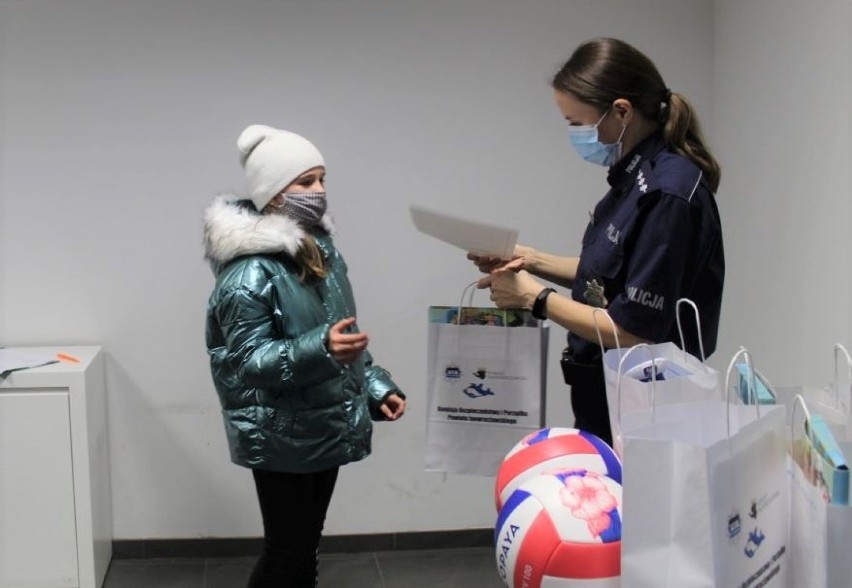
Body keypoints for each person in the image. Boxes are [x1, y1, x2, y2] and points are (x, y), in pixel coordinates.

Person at [469, 37, 724, 447]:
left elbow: (633, 331)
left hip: (647, 408)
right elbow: (606, 274)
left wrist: (534, 298)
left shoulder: (667, 193)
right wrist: (526, 258)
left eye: (577, 123)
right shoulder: (633, 179)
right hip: (606, 393)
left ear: (621, 111)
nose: (574, 134)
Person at [203, 124, 406, 588]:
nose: (320, 192)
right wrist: (323, 348)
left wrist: (377, 388)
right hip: (280, 433)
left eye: (322, 179)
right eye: (306, 181)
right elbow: (250, 362)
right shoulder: (248, 274)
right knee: (285, 555)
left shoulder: (320, 254)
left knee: (303, 551)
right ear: (273, 194)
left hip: (322, 424)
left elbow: (344, 340)